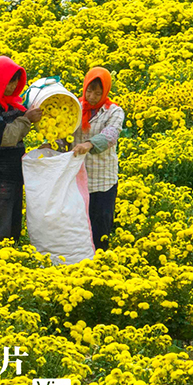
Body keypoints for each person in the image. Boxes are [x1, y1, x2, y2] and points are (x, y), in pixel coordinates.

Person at [0, 56, 42, 246]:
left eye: (15, 81)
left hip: (12, 174)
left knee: (13, 232)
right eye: (8, 81)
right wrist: (26, 119)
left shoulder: (12, 102)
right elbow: (4, 137)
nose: (12, 86)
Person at [71, 67, 126, 250]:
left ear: (105, 92)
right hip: (77, 179)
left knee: (100, 225)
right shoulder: (74, 108)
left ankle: (100, 262)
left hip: (103, 180)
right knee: (77, 226)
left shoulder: (114, 111)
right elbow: (61, 130)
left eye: (97, 92)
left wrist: (89, 144)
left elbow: (111, 135)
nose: (92, 96)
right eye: (89, 90)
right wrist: (51, 142)